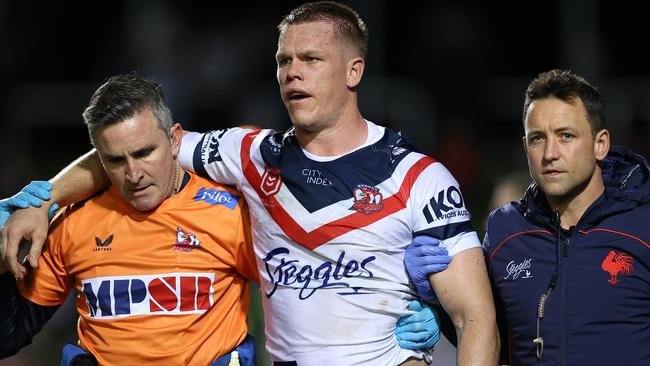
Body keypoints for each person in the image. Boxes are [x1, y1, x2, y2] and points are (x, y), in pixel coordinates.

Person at [2, 2, 498, 365]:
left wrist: (431, 313)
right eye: (284, 61)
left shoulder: (419, 176)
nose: (292, 73)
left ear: (354, 70)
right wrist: (44, 199)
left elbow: (476, 317)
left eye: (311, 59)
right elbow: (136, 146)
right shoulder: (248, 152)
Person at [0, 74, 259, 365]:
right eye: (116, 160)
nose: (134, 175)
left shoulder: (231, 213)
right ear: (99, 159)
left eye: (144, 153)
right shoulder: (74, 223)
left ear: (175, 140)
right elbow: (9, 335)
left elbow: (301, 296)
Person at [406, 69, 650, 365]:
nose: (550, 153)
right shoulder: (505, 230)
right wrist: (433, 299)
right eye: (537, 138)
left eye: (566, 136)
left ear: (601, 144)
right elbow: (486, 334)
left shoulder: (642, 223)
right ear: (525, 147)